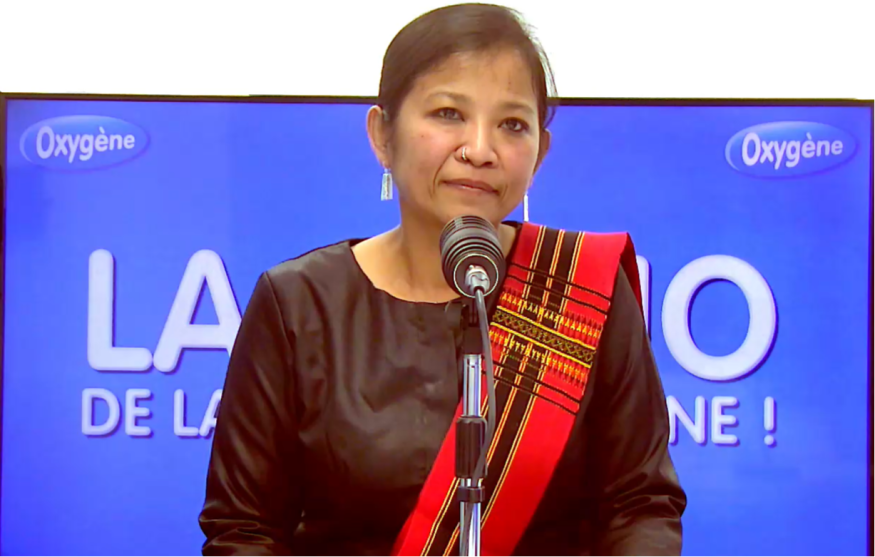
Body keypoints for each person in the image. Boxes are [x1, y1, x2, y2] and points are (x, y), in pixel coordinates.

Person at [198, 3, 686, 556]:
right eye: (449, 113)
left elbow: (639, 505)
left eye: (512, 124)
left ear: (540, 154)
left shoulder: (581, 289)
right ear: (383, 135)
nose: (479, 150)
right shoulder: (298, 304)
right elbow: (245, 530)